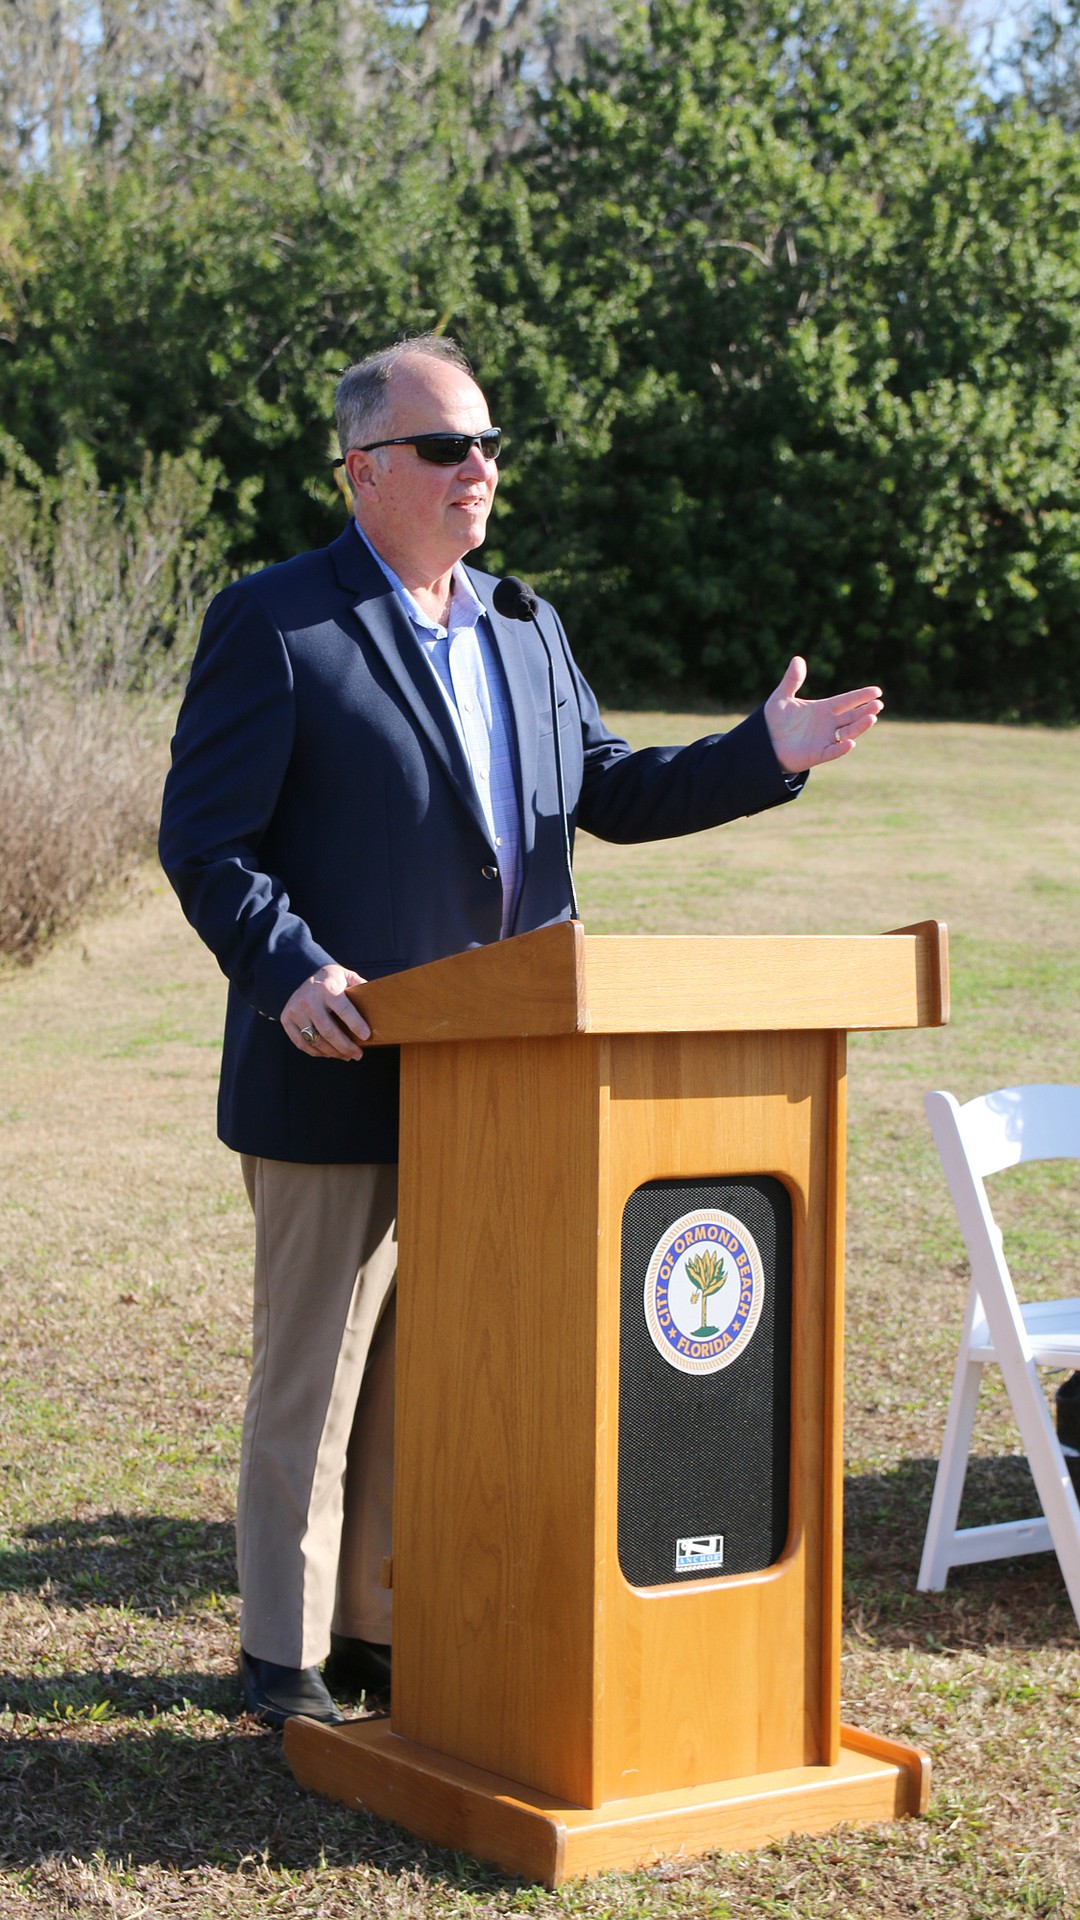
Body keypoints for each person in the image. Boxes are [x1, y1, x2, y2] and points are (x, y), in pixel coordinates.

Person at [158, 334, 882, 1729]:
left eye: (487, 445)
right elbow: (207, 841)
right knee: (313, 1376)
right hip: (339, 1062)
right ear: (364, 469)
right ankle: (281, 1658)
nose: (478, 469)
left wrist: (761, 754)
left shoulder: (523, 627)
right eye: (445, 448)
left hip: (508, 1082)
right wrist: (290, 967)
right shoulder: (278, 621)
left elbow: (600, 791)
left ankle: (378, 1625)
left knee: (438, 1375)